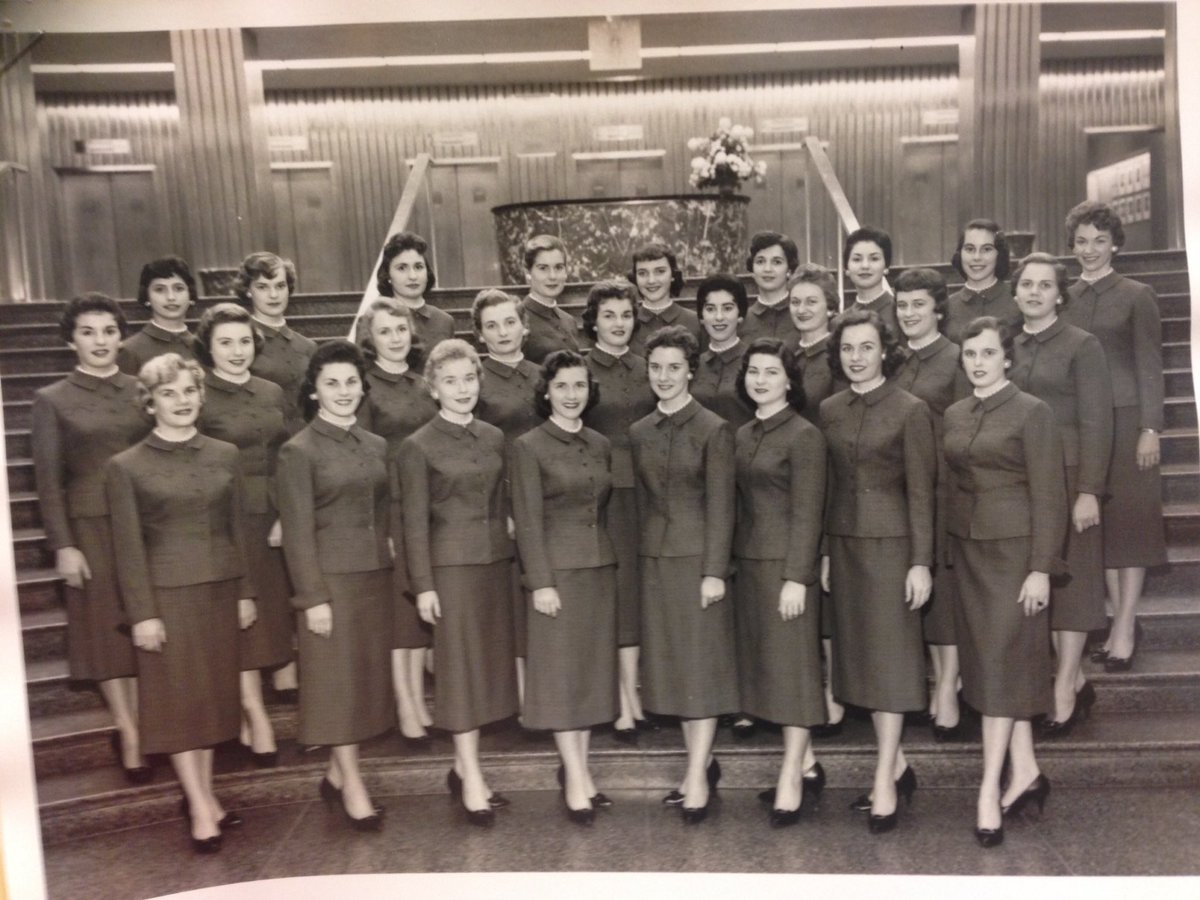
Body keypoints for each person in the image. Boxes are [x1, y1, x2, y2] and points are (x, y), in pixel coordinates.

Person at [106, 353, 256, 853]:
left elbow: (239, 530)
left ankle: (206, 796)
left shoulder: (225, 453)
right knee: (179, 706)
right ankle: (198, 807)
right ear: (149, 403)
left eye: (189, 390)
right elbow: (127, 550)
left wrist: (245, 592)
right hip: (166, 599)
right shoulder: (125, 467)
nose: (181, 401)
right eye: (168, 393)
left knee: (209, 704)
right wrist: (143, 614)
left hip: (218, 591)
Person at [944, 317, 1067, 847]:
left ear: (1007, 358)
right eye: (969, 353)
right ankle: (1027, 773)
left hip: (1016, 558)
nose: (977, 362)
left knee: (998, 670)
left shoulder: (1032, 412)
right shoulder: (954, 412)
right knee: (998, 670)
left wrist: (1042, 567)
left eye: (987, 353)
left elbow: (1050, 496)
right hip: (969, 556)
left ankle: (988, 790)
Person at [820, 307, 935, 834]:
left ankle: (885, 777)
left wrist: (920, 562)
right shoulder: (829, 410)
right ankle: (899, 764)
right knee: (861, 662)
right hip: (845, 550)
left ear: (884, 350)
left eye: (866, 347)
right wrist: (824, 551)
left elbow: (922, 494)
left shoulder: (911, 409)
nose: (856, 357)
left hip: (892, 551)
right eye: (847, 348)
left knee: (889, 666)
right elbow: (826, 489)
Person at [32, 294, 152, 782]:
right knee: (106, 633)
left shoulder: (141, 388)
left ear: (121, 336)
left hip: (144, 525)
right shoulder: (52, 399)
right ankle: (129, 730)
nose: (100, 341)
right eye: (88, 331)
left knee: (144, 626)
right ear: (70, 339)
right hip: (91, 528)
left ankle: (147, 721)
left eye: (108, 330)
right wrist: (63, 544)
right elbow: (47, 480)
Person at [398, 339, 518, 827]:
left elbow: (502, 502)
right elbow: (413, 524)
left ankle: (462, 766)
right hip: (449, 573)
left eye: (469, 378)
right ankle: (471, 778)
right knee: (461, 675)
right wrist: (423, 585)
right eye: (450, 381)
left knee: (484, 671)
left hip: (493, 567)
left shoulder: (493, 437)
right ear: (433, 388)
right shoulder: (417, 445)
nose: (462, 388)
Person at [277, 340, 395, 832]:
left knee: (361, 683)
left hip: (372, 580)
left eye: (351, 382)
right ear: (313, 392)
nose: (343, 392)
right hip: (330, 586)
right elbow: (297, 533)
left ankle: (333, 774)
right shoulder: (297, 451)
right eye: (332, 383)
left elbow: (382, 512)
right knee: (336, 688)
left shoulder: (375, 445)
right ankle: (354, 788)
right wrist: (313, 599)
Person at [630, 325, 737, 824]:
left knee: (701, 668)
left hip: (698, 564)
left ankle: (696, 774)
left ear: (691, 370)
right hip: (656, 561)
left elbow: (722, 508)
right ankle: (700, 763)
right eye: (656, 368)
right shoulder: (639, 430)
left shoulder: (713, 428)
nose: (665, 376)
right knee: (675, 670)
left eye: (675, 367)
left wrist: (714, 570)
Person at [512, 350, 618, 825]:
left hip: (596, 570)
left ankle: (583, 770)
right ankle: (574, 776)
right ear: (546, 392)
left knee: (588, 676)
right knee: (560, 678)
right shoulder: (529, 446)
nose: (572, 395)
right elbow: (529, 522)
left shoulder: (599, 443)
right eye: (562, 387)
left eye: (579, 386)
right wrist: (540, 582)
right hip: (555, 576)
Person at [1009, 253, 1113, 733]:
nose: (1033, 292)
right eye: (1026, 284)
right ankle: (1072, 678)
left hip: (1071, 477)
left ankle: (1066, 684)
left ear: (1059, 294)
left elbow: (1098, 420)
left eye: (1044, 285)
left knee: (1072, 586)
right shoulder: (1006, 343)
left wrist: (1090, 489)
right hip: (1022, 480)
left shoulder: (1081, 345)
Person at [1061, 200, 1166, 671]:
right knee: (1097, 527)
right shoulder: (1066, 295)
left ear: (1115, 244)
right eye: (1081, 241)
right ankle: (1113, 615)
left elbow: (1150, 364)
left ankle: (1124, 623)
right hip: (1082, 423)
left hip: (1126, 422)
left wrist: (1151, 428)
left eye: (1099, 240)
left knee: (1130, 525)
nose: (1090, 250)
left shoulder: (1136, 293)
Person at [732, 338, 827, 827]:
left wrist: (797, 578)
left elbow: (809, 514)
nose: (760, 380)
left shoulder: (803, 435)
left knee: (792, 674)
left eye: (771, 372)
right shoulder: (744, 432)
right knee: (768, 669)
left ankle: (791, 774)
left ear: (789, 380)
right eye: (753, 371)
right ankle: (808, 764)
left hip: (786, 571)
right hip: (749, 566)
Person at [195, 303, 292, 767]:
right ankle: (254, 712)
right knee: (241, 614)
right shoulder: (198, 394)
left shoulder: (272, 391)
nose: (237, 351)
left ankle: (263, 703)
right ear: (208, 348)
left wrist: (287, 513)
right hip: (226, 519)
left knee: (268, 612)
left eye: (245, 341)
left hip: (274, 515)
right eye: (226, 342)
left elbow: (288, 456)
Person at [353, 297, 438, 744]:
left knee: (419, 611)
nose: (395, 339)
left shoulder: (424, 383)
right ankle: (404, 703)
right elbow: (365, 460)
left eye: (401, 330)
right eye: (384, 331)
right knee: (401, 614)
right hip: (393, 508)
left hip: (429, 507)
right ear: (371, 337)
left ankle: (419, 700)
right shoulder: (364, 387)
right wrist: (382, 526)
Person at [892, 267, 971, 740]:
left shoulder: (957, 358)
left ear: (938, 308)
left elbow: (966, 427)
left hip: (946, 487)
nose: (909, 314)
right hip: (902, 489)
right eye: (901, 305)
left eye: (918, 304)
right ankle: (936, 677)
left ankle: (948, 683)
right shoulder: (896, 360)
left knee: (943, 591)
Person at [581, 280, 657, 741]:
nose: (618, 323)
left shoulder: (649, 367)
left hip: (646, 492)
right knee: (609, 590)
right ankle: (620, 698)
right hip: (602, 493)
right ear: (593, 319)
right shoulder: (581, 368)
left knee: (632, 592)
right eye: (609, 315)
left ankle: (634, 692)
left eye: (626, 315)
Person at [784, 263, 848, 738]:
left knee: (829, 597)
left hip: (834, 476)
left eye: (812, 301)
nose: (803, 309)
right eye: (796, 302)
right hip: (789, 482)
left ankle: (834, 690)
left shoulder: (839, 355)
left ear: (830, 306)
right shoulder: (786, 353)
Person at [472, 288, 543, 704]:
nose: (502, 332)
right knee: (514, 601)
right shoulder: (476, 381)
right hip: (507, 502)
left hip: (547, 499)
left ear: (525, 326)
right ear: (480, 335)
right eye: (491, 326)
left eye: (509, 322)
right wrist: (504, 509)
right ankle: (518, 695)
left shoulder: (542, 374)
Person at [235, 251, 318, 437]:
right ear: (248, 290)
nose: (274, 295)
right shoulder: (240, 345)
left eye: (280, 286)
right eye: (263, 287)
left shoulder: (308, 347)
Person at [376, 231, 455, 359]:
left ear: (427, 272)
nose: (413, 276)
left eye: (418, 267)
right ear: (388, 275)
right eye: (402, 268)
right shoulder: (374, 320)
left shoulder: (445, 321)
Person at [692, 273, 753, 430]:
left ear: (740, 314)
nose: (719, 317)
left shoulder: (754, 362)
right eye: (710, 309)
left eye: (727, 308)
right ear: (701, 316)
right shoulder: (693, 364)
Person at [117, 256, 197, 375]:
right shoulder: (129, 351)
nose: (171, 297)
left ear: (190, 294)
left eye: (178, 288)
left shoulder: (203, 347)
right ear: (147, 297)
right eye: (159, 289)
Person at [946, 219, 1019, 345]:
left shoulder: (1018, 300)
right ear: (960, 254)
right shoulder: (947, 307)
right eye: (970, 249)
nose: (977, 257)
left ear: (999, 254)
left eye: (986, 249)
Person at [627, 242, 704, 357]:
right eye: (642, 273)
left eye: (660, 271)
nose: (651, 280)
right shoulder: (626, 323)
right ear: (635, 278)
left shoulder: (696, 322)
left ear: (672, 275)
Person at [521, 234, 581, 363]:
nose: (552, 276)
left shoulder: (569, 321)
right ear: (528, 272)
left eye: (559, 267)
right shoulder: (517, 320)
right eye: (543, 268)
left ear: (566, 272)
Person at [741, 231, 800, 343]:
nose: (767, 269)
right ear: (752, 270)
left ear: (789, 270)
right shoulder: (741, 320)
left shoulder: (801, 314)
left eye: (777, 262)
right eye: (760, 261)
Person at [842, 226, 898, 337]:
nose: (865, 266)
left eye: (874, 259)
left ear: (886, 266)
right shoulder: (839, 322)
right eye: (857, 259)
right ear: (846, 268)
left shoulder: (900, 315)